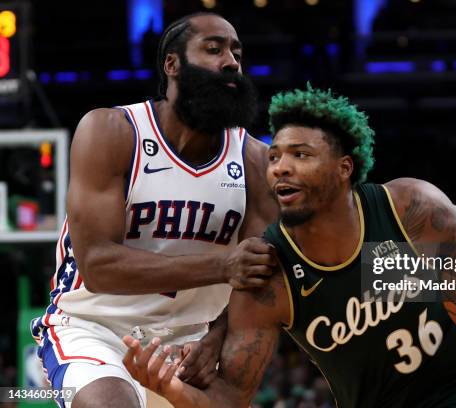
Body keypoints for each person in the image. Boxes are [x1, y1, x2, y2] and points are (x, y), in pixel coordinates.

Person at [123, 85, 456, 407]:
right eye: (274, 156)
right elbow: (232, 395)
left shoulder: (407, 208)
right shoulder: (269, 272)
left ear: (343, 168)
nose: (280, 168)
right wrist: (171, 390)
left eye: (301, 155)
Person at [30, 12, 278, 408]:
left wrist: (216, 336)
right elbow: (98, 265)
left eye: (236, 52)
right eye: (213, 49)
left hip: (191, 343)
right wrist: (223, 265)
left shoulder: (254, 160)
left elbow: (257, 277)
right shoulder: (113, 130)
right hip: (96, 330)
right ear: (172, 64)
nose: (231, 61)